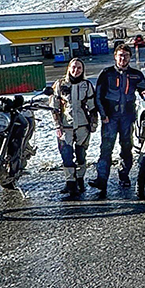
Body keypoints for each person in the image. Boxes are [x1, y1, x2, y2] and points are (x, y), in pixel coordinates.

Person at [90, 45, 145, 197]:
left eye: (126, 56)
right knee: (106, 149)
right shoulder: (107, 73)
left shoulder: (136, 74)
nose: (123, 59)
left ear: (130, 57)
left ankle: (124, 175)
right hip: (110, 117)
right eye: (120, 55)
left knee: (126, 147)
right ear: (115, 56)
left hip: (127, 118)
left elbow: (144, 91)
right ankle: (102, 180)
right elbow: (98, 96)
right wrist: (103, 114)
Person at [50, 58, 97, 196]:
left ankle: (80, 179)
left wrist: (94, 123)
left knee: (81, 155)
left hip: (83, 125)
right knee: (66, 155)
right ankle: (70, 182)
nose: (76, 70)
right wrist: (57, 125)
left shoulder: (86, 85)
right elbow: (55, 107)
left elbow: (93, 106)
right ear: (68, 68)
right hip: (66, 126)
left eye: (79, 68)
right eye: (73, 67)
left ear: (83, 70)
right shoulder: (59, 84)